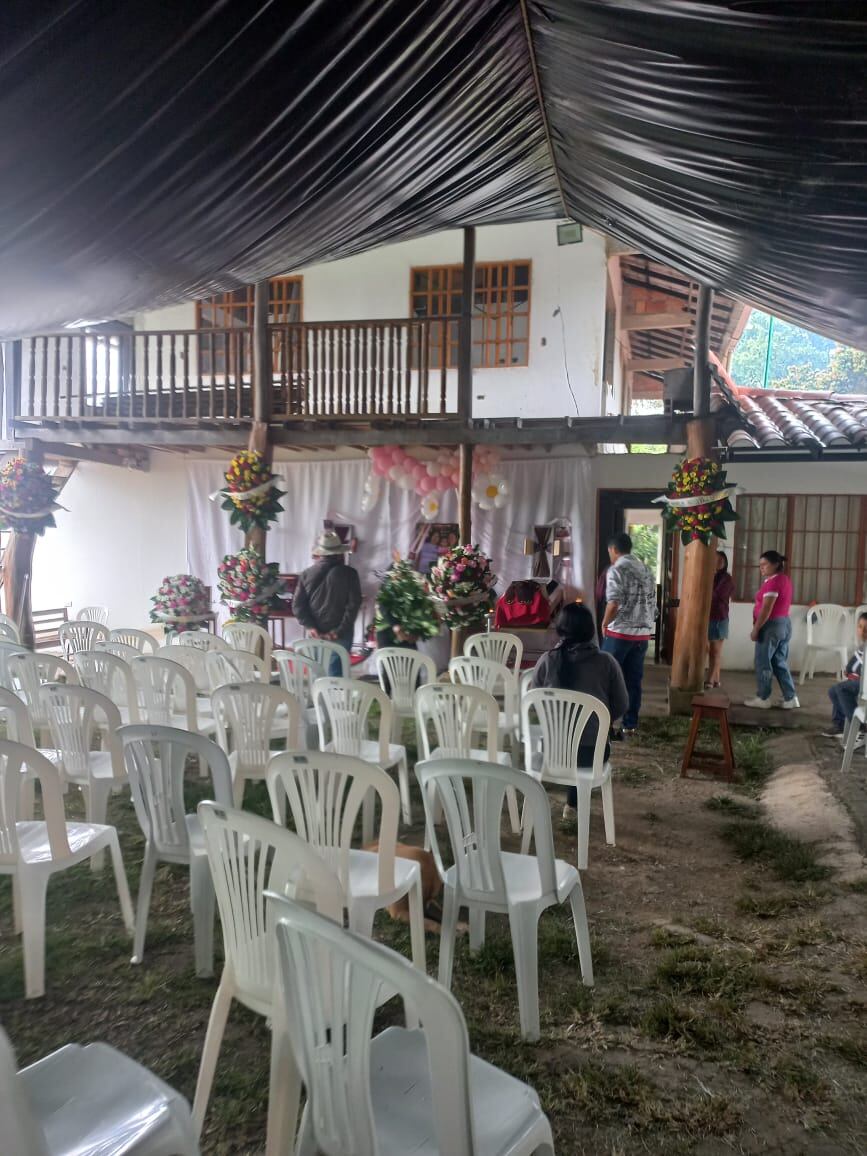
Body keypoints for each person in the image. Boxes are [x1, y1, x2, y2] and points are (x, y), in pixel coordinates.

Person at [531, 603, 628, 819]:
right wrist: (602, 721)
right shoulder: (606, 663)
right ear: (590, 630)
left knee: (570, 741)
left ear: (560, 629)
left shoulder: (547, 660)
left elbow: (534, 699)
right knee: (584, 741)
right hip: (592, 755)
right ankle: (573, 805)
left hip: (552, 753)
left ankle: (570, 804)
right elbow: (621, 704)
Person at [600, 532, 656, 735]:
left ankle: (605, 723)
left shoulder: (616, 570)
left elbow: (614, 602)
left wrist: (605, 623)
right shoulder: (647, 570)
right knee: (633, 680)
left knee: (606, 678)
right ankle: (630, 724)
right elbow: (652, 603)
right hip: (642, 634)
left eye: (609, 552)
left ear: (613, 550)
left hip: (620, 634)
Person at [293, 530, 362, 674]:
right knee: (337, 676)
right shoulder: (350, 574)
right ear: (339, 553)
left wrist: (311, 627)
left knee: (318, 672)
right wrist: (339, 631)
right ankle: (336, 697)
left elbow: (298, 606)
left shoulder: (306, 574)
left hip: (315, 633)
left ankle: (318, 696)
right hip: (341, 634)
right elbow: (353, 606)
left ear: (320, 553)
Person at [744, 549, 799, 710]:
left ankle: (763, 697)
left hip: (771, 626)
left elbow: (766, 609)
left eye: (764, 564)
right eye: (760, 565)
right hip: (784, 624)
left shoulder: (773, 582)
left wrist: (756, 629)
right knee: (779, 662)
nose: (761, 567)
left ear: (775, 565)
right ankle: (791, 698)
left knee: (763, 661)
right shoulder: (784, 580)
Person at [821, 612, 867, 742]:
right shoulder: (863, 646)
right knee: (834, 690)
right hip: (858, 681)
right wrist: (848, 671)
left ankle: (859, 726)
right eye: (860, 626)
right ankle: (840, 725)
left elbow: (862, 669)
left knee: (841, 689)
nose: (862, 631)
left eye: (866, 628)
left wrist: (853, 674)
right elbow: (854, 662)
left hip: (864, 684)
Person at [706, 550, 734, 688]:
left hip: (719, 618)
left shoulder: (726, 578)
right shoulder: (712, 576)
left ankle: (710, 680)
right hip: (710, 617)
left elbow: (716, 596)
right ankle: (716, 679)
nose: (718, 563)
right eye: (716, 559)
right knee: (712, 651)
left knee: (715, 651)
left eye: (721, 560)